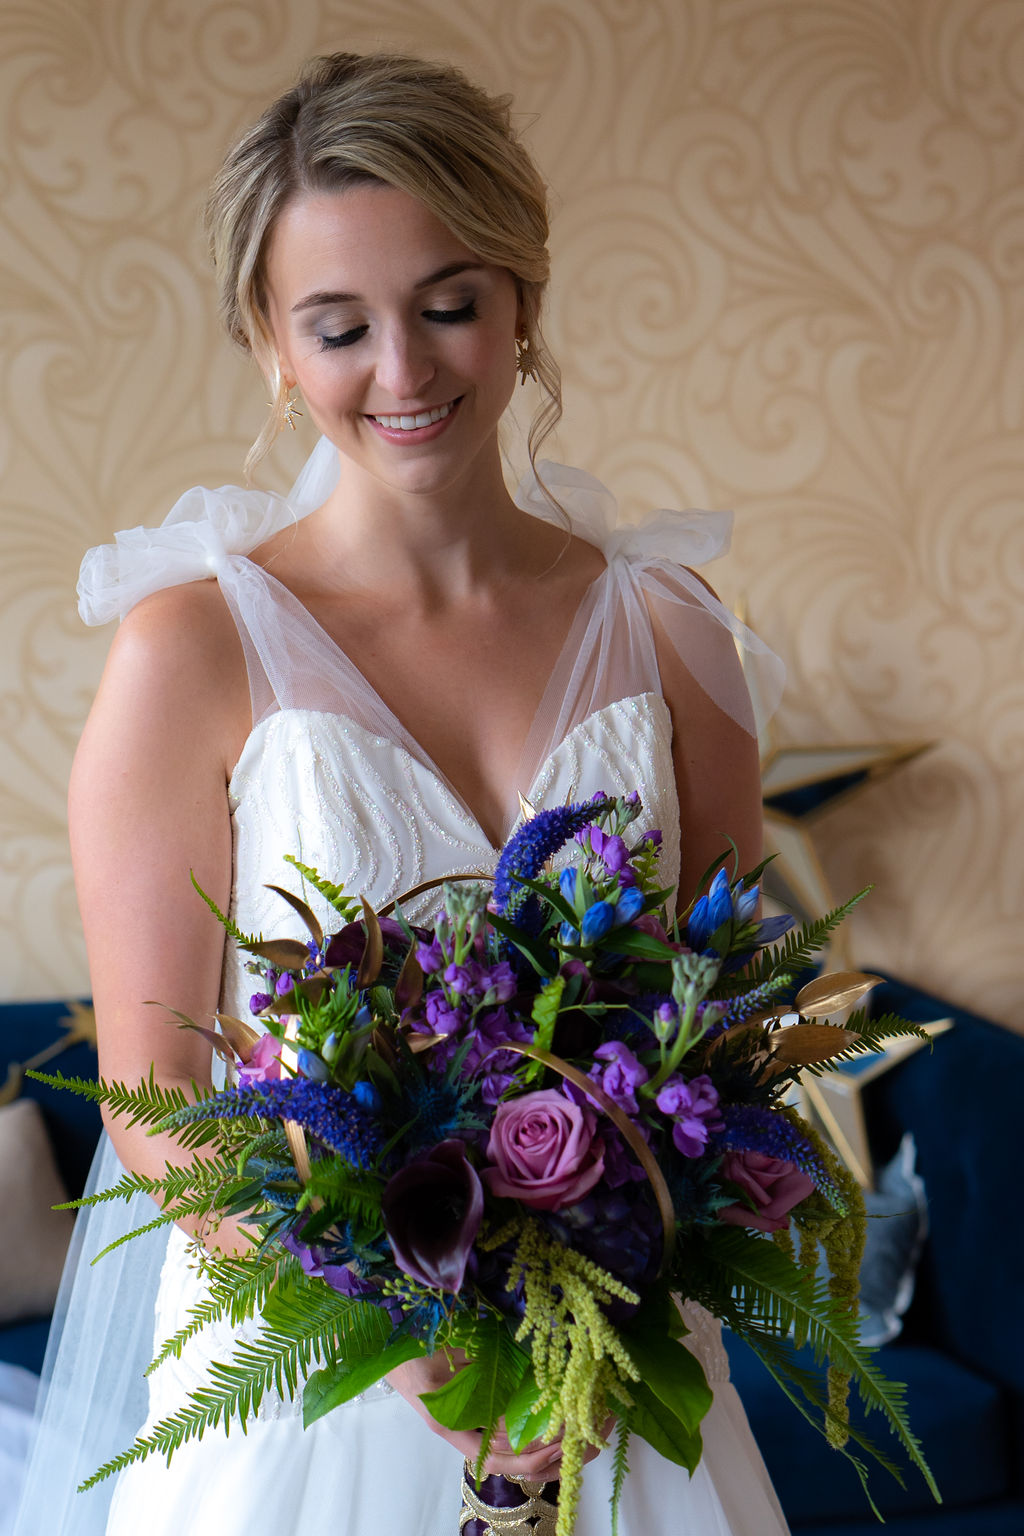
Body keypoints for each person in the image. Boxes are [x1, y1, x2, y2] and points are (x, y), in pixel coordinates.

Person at [15, 52, 788, 1536]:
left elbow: (725, 1023)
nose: (407, 370)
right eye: (340, 326)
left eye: (449, 305)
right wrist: (416, 1343)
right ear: (269, 344)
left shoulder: (673, 631)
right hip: (315, 1391)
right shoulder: (193, 650)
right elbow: (160, 1100)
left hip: (612, 1373)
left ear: (523, 303)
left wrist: (613, 1279)